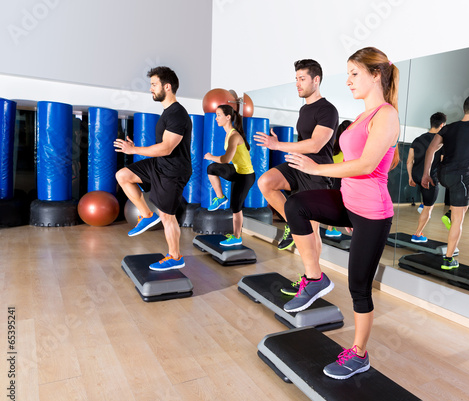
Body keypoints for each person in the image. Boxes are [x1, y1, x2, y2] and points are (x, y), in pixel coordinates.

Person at [282, 47, 400, 380]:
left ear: (375, 75)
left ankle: (359, 354)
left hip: (371, 214)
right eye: (347, 74)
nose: (347, 81)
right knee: (297, 204)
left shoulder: (386, 115)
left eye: (354, 73)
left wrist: (316, 166)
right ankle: (315, 279)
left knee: (359, 287)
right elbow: (347, 163)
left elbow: (364, 165)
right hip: (348, 202)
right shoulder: (362, 115)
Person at [254, 59, 338, 253]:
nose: (297, 83)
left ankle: (315, 277)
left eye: (302, 78)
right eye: (296, 79)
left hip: (317, 172)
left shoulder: (328, 110)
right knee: (266, 182)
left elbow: (316, 145)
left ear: (316, 80)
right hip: (298, 165)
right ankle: (293, 223)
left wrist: (276, 145)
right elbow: (303, 142)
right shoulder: (304, 109)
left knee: (311, 232)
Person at [114, 66, 192, 271]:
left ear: (167, 86)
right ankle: (147, 215)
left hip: (173, 170)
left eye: (154, 84)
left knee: (168, 216)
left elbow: (167, 148)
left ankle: (175, 256)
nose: (151, 89)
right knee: (123, 175)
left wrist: (133, 150)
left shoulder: (178, 114)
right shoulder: (168, 112)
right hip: (159, 165)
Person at [422, 95, 469, 270]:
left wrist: (426, 173)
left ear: (465, 109)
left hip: (442, 175)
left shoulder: (448, 128)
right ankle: (448, 260)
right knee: (458, 221)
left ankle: (449, 214)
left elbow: (431, 149)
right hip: (459, 178)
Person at [204, 105, 256, 246]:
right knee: (212, 169)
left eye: (219, 115)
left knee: (235, 207)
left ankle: (237, 237)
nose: (216, 118)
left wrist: (210, 156)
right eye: (216, 115)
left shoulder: (234, 136)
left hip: (246, 176)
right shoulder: (228, 134)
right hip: (237, 171)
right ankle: (220, 197)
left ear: (228, 117)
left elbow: (226, 159)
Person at [407, 112, 447, 243]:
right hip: (430, 179)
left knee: (425, 198)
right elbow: (442, 162)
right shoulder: (441, 141)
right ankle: (417, 234)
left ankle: (423, 203)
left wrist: (410, 177)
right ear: (442, 125)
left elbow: (409, 161)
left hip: (416, 176)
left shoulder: (417, 139)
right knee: (429, 209)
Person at [325, 119, 352, 239]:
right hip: (341, 179)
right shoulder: (347, 148)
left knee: (335, 205)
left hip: (331, 178)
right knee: (343, 205)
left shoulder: (334, 147)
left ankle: (331, 229)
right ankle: (331, 229)